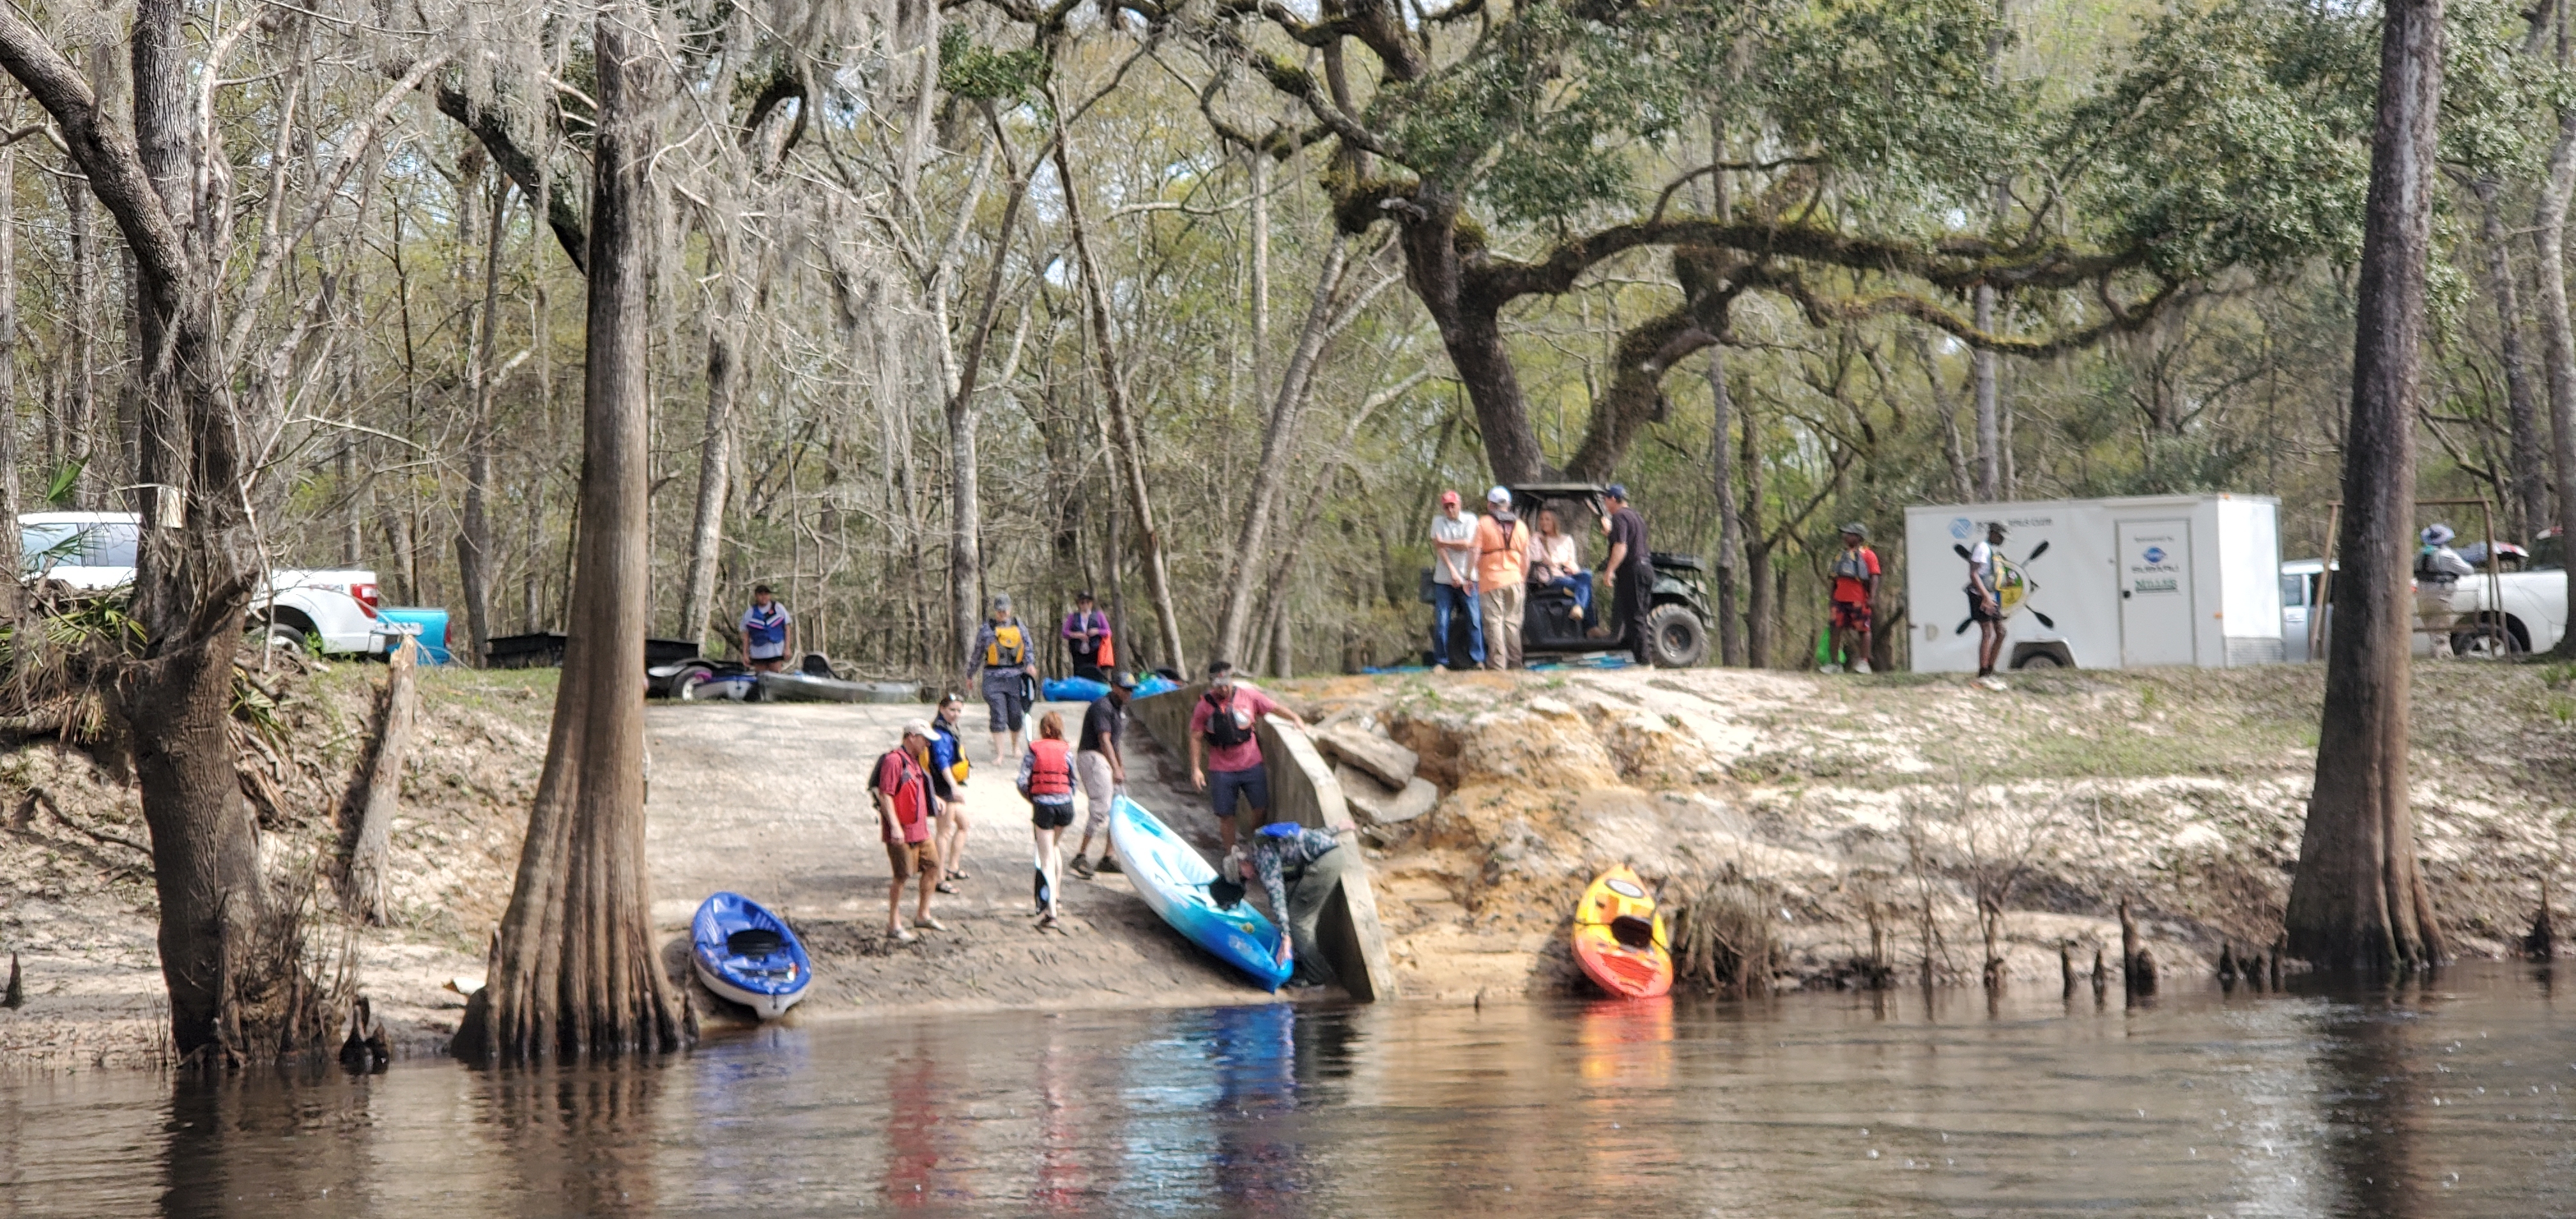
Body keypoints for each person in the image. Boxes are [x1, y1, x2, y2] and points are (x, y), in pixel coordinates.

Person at [1187, 660, 1307, 853]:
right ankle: (1231, 854)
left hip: (1251, 764)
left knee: (1260, 807)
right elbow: (1195, 736)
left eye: (1227, 684)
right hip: (1221, 768)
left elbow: (1273, 707)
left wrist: (1295, 718)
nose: (1224, 689)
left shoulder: (1248, 696)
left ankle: (1253, 843)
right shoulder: (1204, 706)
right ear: (1211, 684)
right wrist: (1196, 769)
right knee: (1226, 815)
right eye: (1219, 686)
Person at [1222, 820, 1358, 988]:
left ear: (1243, 863)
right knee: (1293, 906)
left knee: (1297, 921)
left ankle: (1317, 977)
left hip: (1326, 863)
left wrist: (1285, 937)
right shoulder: (1259, 842)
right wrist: (1337, 829)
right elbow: (1307, 835)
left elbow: (1276, 894)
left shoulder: (1264, 860)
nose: (1247, 879)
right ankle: (1299, 958)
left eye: (1242, 876)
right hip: (1329, 852)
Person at [870, 720, 949, 942]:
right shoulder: (895, 761)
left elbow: (917, 789)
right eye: (925, 740)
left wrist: (935, 800)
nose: (927, 745)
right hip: (902, 831)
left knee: (933, 866)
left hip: (920, 830)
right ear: (911, 736)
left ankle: (923, 914)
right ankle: (893, 924)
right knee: (902, 876)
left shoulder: (914, 762)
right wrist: (894, 826)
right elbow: (886, 795)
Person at [1068, 673, 1135, 879]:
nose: (1128, 693)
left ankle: (1107, 857)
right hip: (1093, 757)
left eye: (1131, 690)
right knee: (1101, 808)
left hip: (1107, 758)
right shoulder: (1102, 707)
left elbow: (1115, 744)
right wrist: (1115, 768)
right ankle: (1080, 856)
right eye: (1124, 689)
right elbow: (1104, 740)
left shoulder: (1118, 710)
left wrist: (1120, 768)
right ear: (1114, 687)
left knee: (1119, 805)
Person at [1020, 711, 1078, 928]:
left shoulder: (1034, 751)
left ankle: (1051, 913)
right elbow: (1073, 781)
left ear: (1043, 729)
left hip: (1044, 807)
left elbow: (1022, 781)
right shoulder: (1067, 751)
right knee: (1053, 848)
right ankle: (1057, 896)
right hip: (1066, 808)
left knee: (1045, 860)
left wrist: (1033, 797)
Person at [972, 594, 1038, 763]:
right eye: (999, 609)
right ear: (995, 610)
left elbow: (1028, 647)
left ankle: (1016, 747)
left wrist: (1030, 664)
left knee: (1016, 714)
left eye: (1005, 609)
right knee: (998, 714)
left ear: (1010, 609)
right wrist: (970, 675)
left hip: (1015, 676)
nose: (1002, 612)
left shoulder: (1019, 627)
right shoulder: (987, 629)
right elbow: (978, 653)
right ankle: (1000, 754)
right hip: (993, 677)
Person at [1475, 486, 1531, 670]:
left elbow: (1475, 552)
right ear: (1508, 505)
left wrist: (1469, 576)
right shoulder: (1522, 526)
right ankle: (1516, 663)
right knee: (1513, 624)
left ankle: (1498, 666)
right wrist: (1521, 579)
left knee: (1494, 623)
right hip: (1515, 579)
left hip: (1491, 580)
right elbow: (1527, 557)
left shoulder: (1483, 523)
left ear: (1490, 504)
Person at [1429, 489, 1485, 671]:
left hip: (1469, 579)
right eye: (1446, 506)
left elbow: (1467, 546)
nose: (1450, 509)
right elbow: (1440, 550)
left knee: (1474, 619)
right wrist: (1453, 572)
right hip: (1445, 580)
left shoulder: (1471, 520)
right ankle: (1441, 662)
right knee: (1442, 621)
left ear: (1459, 505)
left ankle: (1478, 659)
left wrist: (1444, 543)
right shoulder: (1438, 522)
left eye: (1452, 505)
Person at [1598, 484, 1653, 666]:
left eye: (1606, 499)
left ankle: (1644, 662)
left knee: (1635, 617)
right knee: (1634, 615)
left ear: (1613, 499)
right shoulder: (1636, 516)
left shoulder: (1620, 516)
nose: (1605, 504)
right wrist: (1610, 534)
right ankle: (1631, 656)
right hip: (1646, 568)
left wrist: (1610, 570)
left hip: (1633, 570)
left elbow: (1622, 546)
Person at [928, 693, 972, 893]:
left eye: (959, 711)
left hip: (949, 786)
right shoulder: (939, 733)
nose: (955, 714)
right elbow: (942, 762)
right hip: (943, 788)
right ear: (941, 709)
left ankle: (953, 868)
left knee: (964, 825)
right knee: (944, 833)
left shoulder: (949, 730)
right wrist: (954, 787)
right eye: (952, 710)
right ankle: (938, 878)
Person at [1827, 523, 1882, 675]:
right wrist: (1832, 598)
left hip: (1859, 599)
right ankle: (1835, 663)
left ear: (1858, 537)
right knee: (1835, 629)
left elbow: (1875, 576)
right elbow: (1835, 579)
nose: (1845, 536)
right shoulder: (1841, 555)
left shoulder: (1868, 554)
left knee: (1863, 629)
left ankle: (1864, 662)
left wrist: (1872, 596)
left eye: (1849, 534)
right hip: (1839, 599)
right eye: (1845, 534)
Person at [2416, 524, 2477, 657]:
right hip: (2441, 596)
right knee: (2441, 633)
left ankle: (2435, 658)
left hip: (2421, 596)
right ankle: (2443, 660)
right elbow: (2468, 571)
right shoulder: (2447, 555)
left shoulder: (2421, 554)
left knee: (2432, 633)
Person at [1530, 505, 1592, 622]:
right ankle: (1589, 625)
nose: (1544, 522)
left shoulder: (1566, 539)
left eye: (1547, 519)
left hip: (1568, 573)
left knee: (1587, 575)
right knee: (1584, 588)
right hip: (1552, 578)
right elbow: (1535, 558)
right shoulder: (1539, 540)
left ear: (1554, 521)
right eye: (1542, 519)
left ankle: (1578, 608)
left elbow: (1572, 561)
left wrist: (1571, 567)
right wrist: (1534, 540)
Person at [1967, 521, 2009, 684]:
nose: (2003, 540)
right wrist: (1985, 597)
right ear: (1993, 534)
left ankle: (1991, 670)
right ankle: (1983, 673)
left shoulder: (1993, 551)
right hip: (1979, 595)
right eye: (2001, 537)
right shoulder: (1982, 549)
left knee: (2001, 632)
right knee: (1987, 632)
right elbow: (1974, 574)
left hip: (1991, 595)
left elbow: (1992, 575)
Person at [739, 585, 795, 673]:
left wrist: (787, 648)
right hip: (758, 652)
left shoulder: (778, 608)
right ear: (756, 596)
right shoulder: (750, 613)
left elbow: (787, 628)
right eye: (761, 594)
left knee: (775, 678)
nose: (764, 597)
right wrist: (745, 654)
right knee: (761, 678)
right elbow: (746, 634)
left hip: (776, 651)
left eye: (766, 594)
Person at [1061, 592, 1114, 682]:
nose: (1085, 605)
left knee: (1095, 675)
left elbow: (1108, 632)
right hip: (1078, 653)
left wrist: (1097, 631)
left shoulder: (1099, 615)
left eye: (1088, 602)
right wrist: (1077, 635)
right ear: (1079, 604)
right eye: (1082, 602)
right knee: (1080, 675)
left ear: (1091, 603)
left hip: (1095, 652)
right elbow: (1065, 633)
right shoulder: (1073, 617)